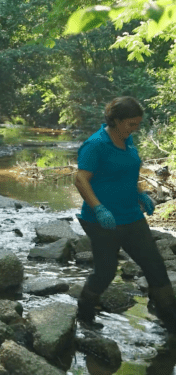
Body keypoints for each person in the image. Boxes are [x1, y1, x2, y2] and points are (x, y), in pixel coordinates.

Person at [74, 96, 176, 333]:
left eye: (137, 124)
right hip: (102, 222)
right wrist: (99, 208)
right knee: (105, 272)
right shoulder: (95, 145)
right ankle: (85, 314)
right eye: (131, 124)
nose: (135, 129)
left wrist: (141, 194)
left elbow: (127, 174)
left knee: (155, 266)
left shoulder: (127, 141)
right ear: (115, 121)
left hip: (131, 217)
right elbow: (80, 179)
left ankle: (170, 321)